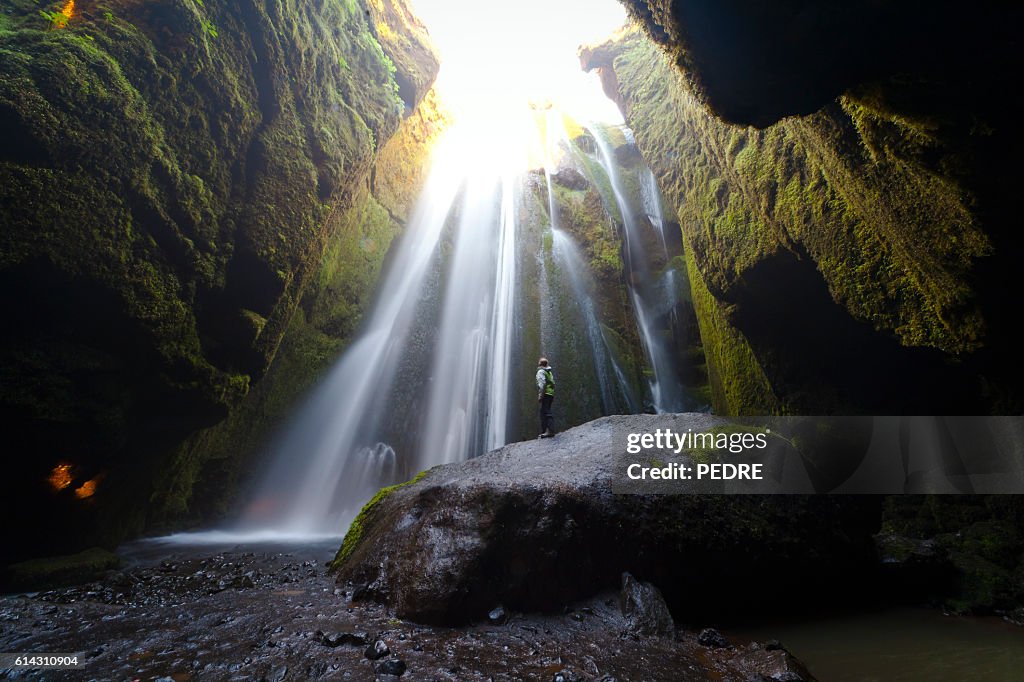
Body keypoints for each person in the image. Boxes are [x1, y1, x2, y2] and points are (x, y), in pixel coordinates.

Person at [536, 357, 555, 438]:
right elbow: (553, 383)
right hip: (551, 394)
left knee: (546, 412)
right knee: (543, 412)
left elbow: (542, 384)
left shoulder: (541, 372)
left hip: (545, 393)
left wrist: (540, 395)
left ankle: (550, 431)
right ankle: (545, 431)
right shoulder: (549, 372)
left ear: (540, 364)